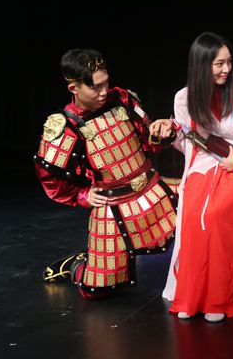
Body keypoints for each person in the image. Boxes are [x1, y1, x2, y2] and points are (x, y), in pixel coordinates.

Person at [151, 32, 233, 322]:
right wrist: (170, 134)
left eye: (229, 62)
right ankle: (193, 296)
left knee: (217, 214)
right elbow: (187, 144)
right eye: (219, 64)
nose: (226, 69)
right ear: (201, 65)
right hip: (203, 163)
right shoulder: (183, 97)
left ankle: (218, 298)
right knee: (193, 216)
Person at [34, 48, 179, 300]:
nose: (104, 91)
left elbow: (150, 142)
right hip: (114, 208)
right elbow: (50, 176)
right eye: (95, 87)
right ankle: (77, 264)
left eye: (105, 83)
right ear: (74, 88)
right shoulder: (66, 125)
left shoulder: (122, 99)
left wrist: (162, 133)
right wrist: (82, 195)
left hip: (155, 189)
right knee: (96, 291)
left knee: (209, 210)